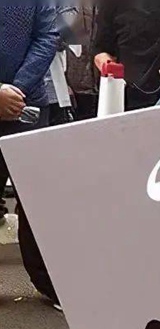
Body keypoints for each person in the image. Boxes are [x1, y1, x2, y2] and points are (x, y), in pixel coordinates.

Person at [0, 3, 61, 306]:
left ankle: (51, 284)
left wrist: (16, 90)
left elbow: (47, 36)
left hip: (28, 103)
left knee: (37, 200)